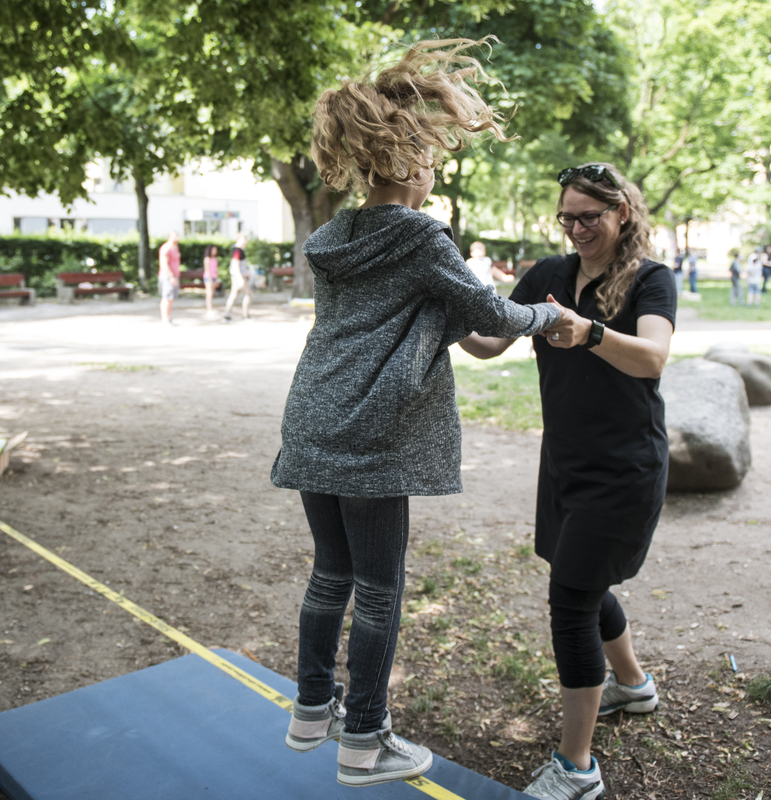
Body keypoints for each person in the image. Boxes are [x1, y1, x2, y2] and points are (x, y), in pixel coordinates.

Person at [270, 38, 570, 789]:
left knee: (329, 574)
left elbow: (433, 320)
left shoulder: (332, 237)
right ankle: (366, 738)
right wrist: (546, 318)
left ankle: (312, 710)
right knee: (378, 586)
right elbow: (484, 310)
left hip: (312, 419)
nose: (436, 168)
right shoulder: (419, 234)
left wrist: (478, 318)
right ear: (408, 161)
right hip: (373, 431)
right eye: (431, 155)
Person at [460, 162, 673, 800]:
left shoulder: (648, 277)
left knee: (571, 600)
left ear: (622, 214)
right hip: (565, 463)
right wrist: (443, 313)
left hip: (625, 469)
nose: (578, 228)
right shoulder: (550, 275)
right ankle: (632, 687)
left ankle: (577, 767)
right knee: (579, 578)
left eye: (591, 216)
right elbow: (491, 342)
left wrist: (590, 332)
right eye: (568, 217)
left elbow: (654, 356)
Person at [223, 233, 251, 321]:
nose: (245, 241)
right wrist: (240, 278)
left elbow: (240, 265)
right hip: (238, 277)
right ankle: (245, 315)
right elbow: (235, 265)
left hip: (238, 276)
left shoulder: (239, 250)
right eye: (244, 239)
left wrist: (246, 271)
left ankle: (226, 315)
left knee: (234, 295)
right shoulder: (237, 251)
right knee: (249, 294)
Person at [158, 231, 181, 325]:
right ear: (170, 237)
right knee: (166, 298)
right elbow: (163, 264)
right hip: (168, 276)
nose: (177, 239)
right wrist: (171, 276)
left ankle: (168, 318)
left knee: (171, 298)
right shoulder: (166, 248)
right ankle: (165, 320)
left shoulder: (175, 248)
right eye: (175, 237)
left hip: (175, 276)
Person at [202, 245, 220, 317]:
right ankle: (209, 310)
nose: (215, 251)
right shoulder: (207, 259)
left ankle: (211, 309)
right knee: (209, 294)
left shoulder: (215, 259)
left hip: (214, 278)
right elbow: (207, 270)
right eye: (213, 250)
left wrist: (217, 280)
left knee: (212, 294)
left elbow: (216, 270)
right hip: (208, 278)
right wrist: (209, 280)